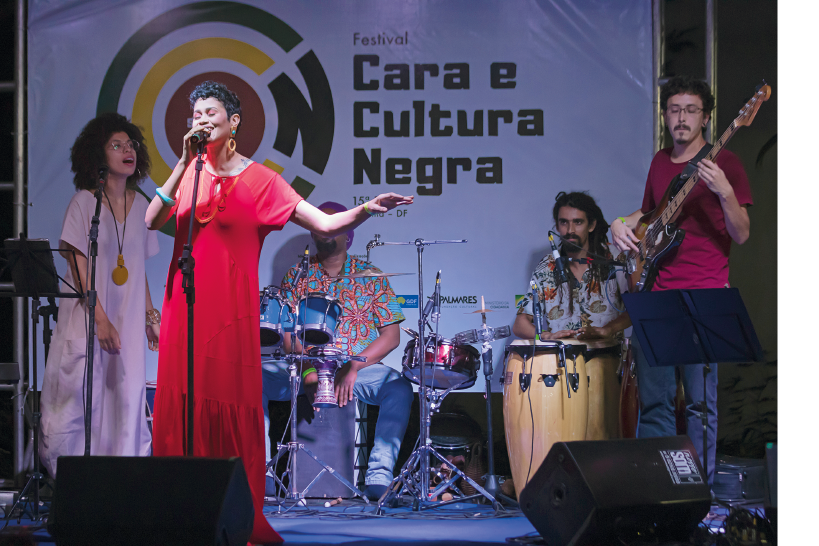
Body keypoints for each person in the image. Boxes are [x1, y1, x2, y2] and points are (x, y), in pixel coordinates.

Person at [144, 81, 412, 544]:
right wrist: (183, 164)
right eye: (195, 114)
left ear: (234, 122)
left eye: (210, 112)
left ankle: (233, 514)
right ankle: (178, 511)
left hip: (230, 313)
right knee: (184, 405)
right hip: (184, 306)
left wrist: (368, 208)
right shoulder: (190, 171)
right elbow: (153, 219)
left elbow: (325, 223)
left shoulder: (263, 181)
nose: (201, 120)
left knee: (229, 407)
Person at [610, 76, 752, 485]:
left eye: (691, 110)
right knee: (653, 403)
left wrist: (724, 190)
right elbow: (648, 215)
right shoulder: (659, 162)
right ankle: (655, 488)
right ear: (665, 116)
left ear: (706, 117)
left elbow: (741, 233)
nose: (682, 118)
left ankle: (699, 496)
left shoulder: (727, 163)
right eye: (675, 110)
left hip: (704, 296)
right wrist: (618, 224)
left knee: (699, 407)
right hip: (654, 295)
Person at [263, 201, 412, 502]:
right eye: (320, 224)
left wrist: (353, 368)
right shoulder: (297, 275)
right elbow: (287, 333)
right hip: (304, 367)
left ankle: (379, 477)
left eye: (334, 224)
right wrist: (308, 368)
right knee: (253, 379)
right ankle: (260, 472)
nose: (326, 231)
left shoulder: (370, 274)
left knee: (398, 388)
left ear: (348, 233)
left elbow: (391, 336)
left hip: (356, 368)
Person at [40, 113, 160, 478]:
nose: (129, 150)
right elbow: (78, 266)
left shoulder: (143, 205)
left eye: (132, 145)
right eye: (117, 145)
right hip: (89, 319)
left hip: (126, 325)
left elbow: (138, 270)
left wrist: (150, 317)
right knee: (79, 404)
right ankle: (74, 487)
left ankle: (122, 486)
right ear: (97, 155)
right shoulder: (84, 203)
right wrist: (101, 320)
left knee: (125, 403)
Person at [513, 191, 630, 342]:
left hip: (609, 357)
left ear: (592, 225)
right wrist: (546, 335)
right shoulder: (546, 267)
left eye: (578, 222)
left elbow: (637, 309)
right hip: (563, 361)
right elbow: (519, 324)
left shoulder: (614, 258)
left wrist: (609, 329)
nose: (570, 230)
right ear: (556, 225)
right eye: (564, 222)